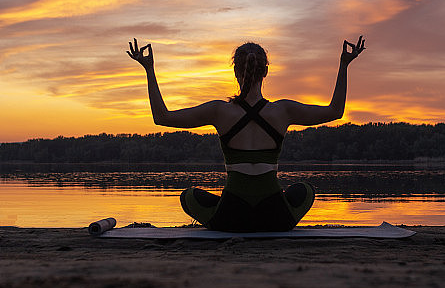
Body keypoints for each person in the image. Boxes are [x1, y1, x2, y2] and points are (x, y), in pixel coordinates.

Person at [127, 36, 365, 232]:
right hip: (275, 219)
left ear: (235, 71)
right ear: (266, 72)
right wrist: (344, 65)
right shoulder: (283, 110)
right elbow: (335, 111)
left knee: (188, 196)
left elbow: (162, 117)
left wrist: (149, 69)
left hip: (230, 218)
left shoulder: (219, 111)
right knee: (307, 190)